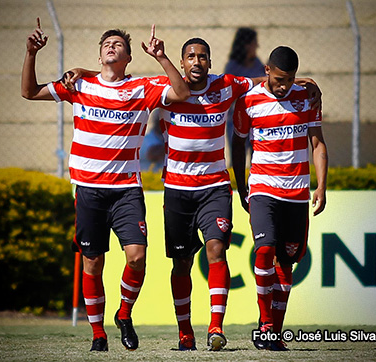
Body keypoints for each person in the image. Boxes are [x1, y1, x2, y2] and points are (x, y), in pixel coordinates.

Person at [64, 37, 321, 352]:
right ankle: (185, 333)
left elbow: (264, 81)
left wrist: (300, 83)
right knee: (182, 263)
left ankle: (216, 327)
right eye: (190, 56)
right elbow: (117, 81)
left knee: (217, 251)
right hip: (177, 190)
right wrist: (85, 72)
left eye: (203, 56)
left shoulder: (226, 86)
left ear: (210, 63)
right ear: (182, 63)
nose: (197, 61)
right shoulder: (166, 90)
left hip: (215, 187)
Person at [21, 19, 190, 352]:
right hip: (88, 190)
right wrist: (30, 53)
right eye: (107, 45)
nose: (112, 47)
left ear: (128, 58)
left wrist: (161, 57)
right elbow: (28, 92)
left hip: (126, 190)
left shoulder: (142, 88)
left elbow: (182, 92)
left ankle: (124, 315)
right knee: (92, 263)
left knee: (137, 256)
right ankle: (98, 334)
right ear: (99, 56)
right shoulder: (79, 85)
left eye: (119, 46)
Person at [231, 46, 328, 351]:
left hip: (297, 193)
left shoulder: (307, 98)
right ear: (268, 70)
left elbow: (318, 144)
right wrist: (241, 185)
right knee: (264, 251)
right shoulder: (249, 101)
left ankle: (276, 333)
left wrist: (321, 186)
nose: (284, 85)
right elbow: (237, 144)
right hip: (263, 189)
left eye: (291, 79)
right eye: (280, 78)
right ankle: (265, 324)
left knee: (286, 264)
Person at [223, 27, 266, 167]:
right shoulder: (232, 67)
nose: (257, 46)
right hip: (236, 118)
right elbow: (230, 92)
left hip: (256, 117)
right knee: (237, 154)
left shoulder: (258, 64)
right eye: (254, 43)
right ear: (246, 45)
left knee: (258, 156)